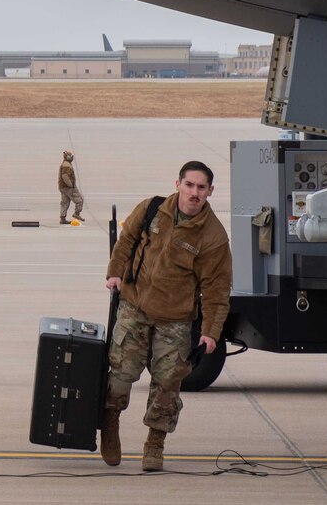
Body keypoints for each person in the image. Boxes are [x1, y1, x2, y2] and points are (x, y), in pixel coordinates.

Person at [100, 160, 231, 473]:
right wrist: (115, 272)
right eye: (189, 185)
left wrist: (211, 333)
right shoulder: (152, 209)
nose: (194, 193)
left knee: (167, 385)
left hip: (175, 319)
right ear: (178, 184)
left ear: (210, 191)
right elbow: (127, 239)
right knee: (119, 374)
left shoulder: (213, 236)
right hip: (134, 306)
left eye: (201, 188)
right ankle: (110, 426)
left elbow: (217, 289)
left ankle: (155, 444)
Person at [58, 151, 85, 224]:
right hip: (68, 187)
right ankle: (77, 213)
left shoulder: (65, 164)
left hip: (62, 187)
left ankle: (62, 218)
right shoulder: (66, 165)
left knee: (64, 202)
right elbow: (65, 176)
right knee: (79, 200)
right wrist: (71, 185)